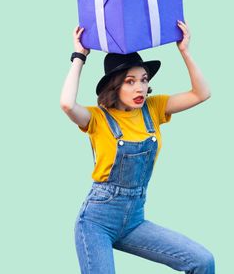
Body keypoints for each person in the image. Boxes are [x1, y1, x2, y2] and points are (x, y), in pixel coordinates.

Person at [60, 20, 215, 274]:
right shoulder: (97, 118)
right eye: (130, 81)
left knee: (202, 261)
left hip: (133, 221)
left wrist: (184, 51)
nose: (140, 87)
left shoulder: (153, 109)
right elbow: (67, 104)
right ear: (115, 84)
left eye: (143, 80)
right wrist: (79, 56)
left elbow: (202, 93)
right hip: (96, 223)